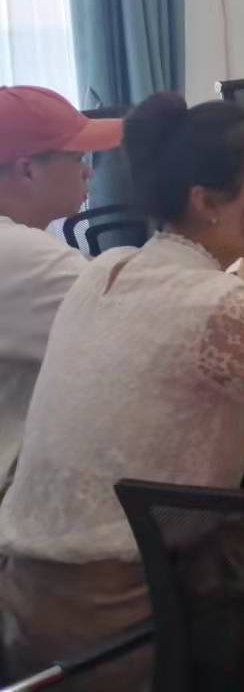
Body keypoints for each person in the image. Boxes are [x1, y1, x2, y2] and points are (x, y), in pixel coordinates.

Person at [0, 95, 244, 687]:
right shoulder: (212, 302)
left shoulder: (113, 268)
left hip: (26, 603)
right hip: (118, 623)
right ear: (206, 202)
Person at [0, 88, 123, 492]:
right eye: (77, 158)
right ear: (27, 170)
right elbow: (148, 332)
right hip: (21, 492)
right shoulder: (21, 255)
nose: (89, 172)